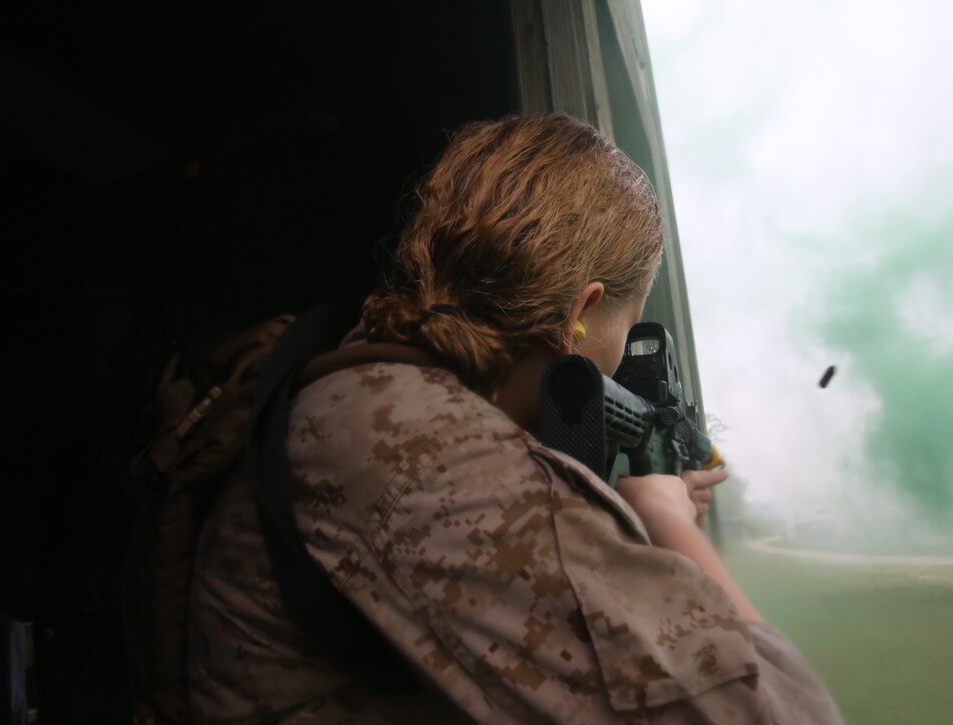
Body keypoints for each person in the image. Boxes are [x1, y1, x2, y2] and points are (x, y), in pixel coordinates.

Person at [189, 114, 843, 723]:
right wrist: (667, 520)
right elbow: (790, 712)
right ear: (578, 314)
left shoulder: (370, 378)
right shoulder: (435, 456)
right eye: (627, 323)